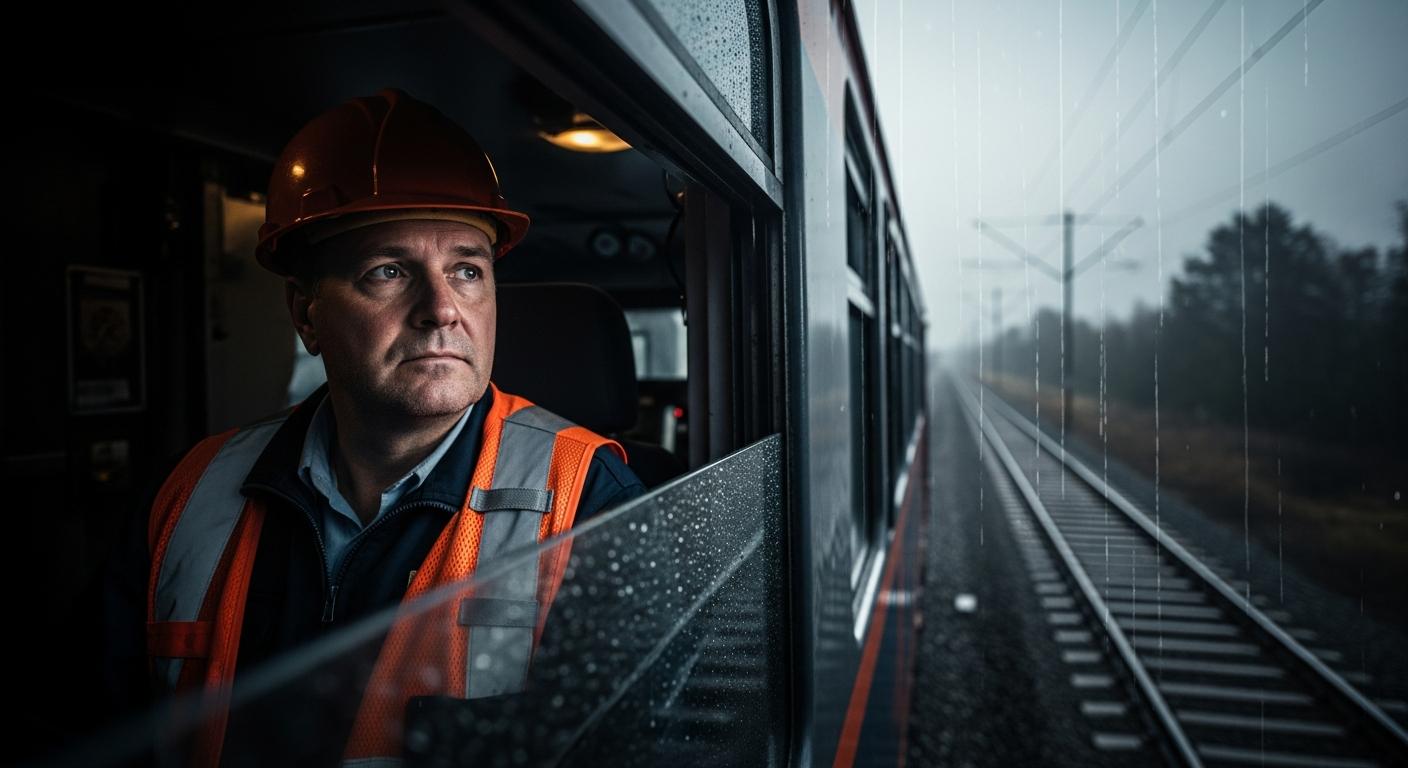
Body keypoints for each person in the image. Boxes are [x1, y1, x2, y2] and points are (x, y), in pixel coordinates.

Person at [101, 88, 645, 767]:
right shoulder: (189, 495)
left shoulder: (588, 497)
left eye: (467, 270)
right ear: (306, 315)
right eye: (388, 271)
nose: (441, 308)